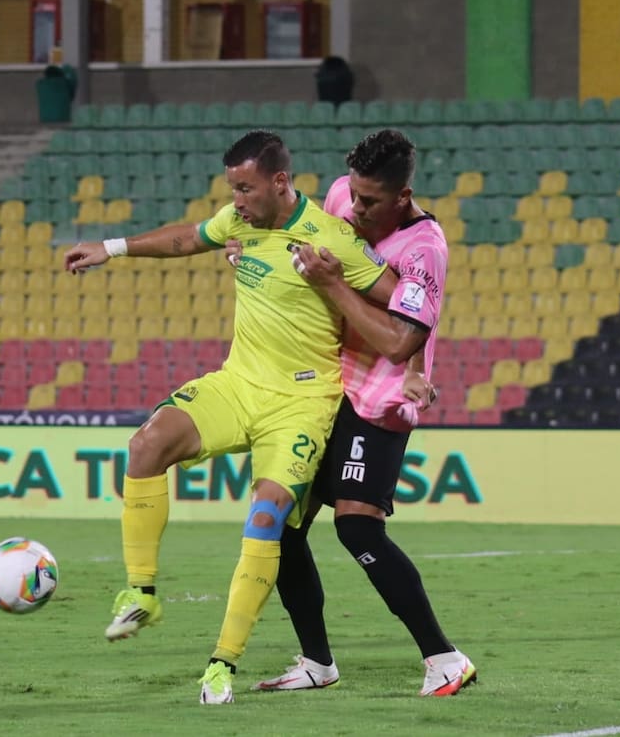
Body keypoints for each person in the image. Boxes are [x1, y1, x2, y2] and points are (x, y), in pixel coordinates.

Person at [63, 130, 396, 705]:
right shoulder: (237, 223)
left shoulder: (332, 238)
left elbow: (399, 299)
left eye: (245, 189)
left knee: (266, 518)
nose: (236, 201)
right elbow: (185, 240)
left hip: (301, 403)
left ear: (280, 182)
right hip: (238, 383)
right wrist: (112, 248)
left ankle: (223, 664)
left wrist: (345, 294)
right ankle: (141, 593)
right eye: (232, 190)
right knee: (146, 445)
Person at [242, 130, 476, 697]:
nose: (356, 209)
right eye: (355, 196)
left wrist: (334, 284)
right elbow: (303, 244)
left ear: (403, 196)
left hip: (378, 400)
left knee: (356, 525)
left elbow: (399, 340)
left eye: (371, 202)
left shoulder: (424, 249)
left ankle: (445, 658)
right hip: (323, 387)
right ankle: (316, 662)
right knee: (280, 525)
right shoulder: (341, 194)